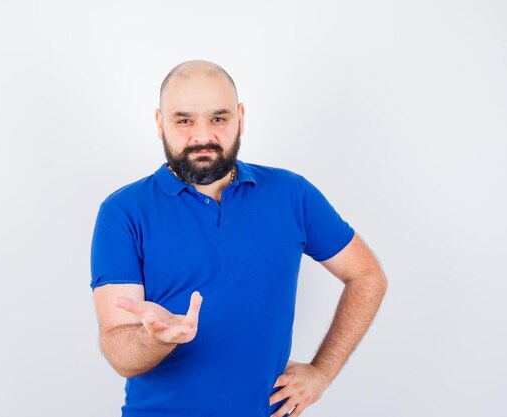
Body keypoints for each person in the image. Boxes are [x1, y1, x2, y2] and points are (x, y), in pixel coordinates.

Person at [89, 59, 388, 417]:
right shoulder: (123, 211)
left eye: (218, 118)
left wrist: (321, 372)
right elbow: (120, 351)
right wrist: (153, 339)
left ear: (240, 118)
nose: (202, 137)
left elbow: (367, 276)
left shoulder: (292, 194)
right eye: (184, 120)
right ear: (160, 124)